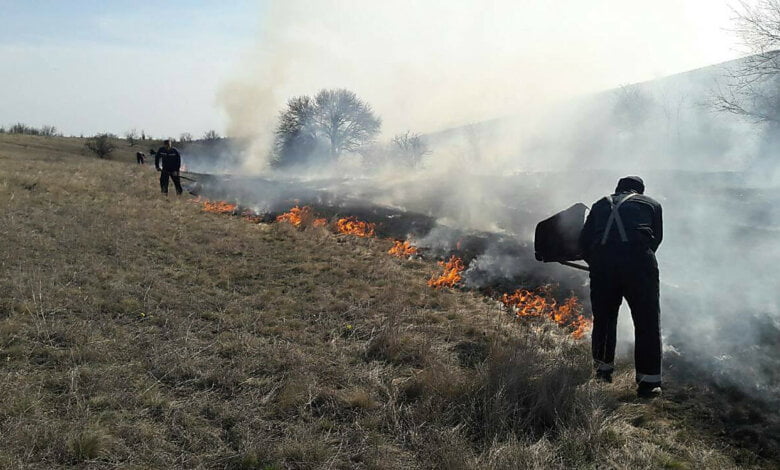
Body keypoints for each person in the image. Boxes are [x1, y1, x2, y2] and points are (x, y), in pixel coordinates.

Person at [579, 176, 663, 398]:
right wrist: (635, 259)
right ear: (640, 191)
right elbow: (656, 240)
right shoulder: (652, 204)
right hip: (640, 269)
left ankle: (602, 372)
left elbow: (584, 242)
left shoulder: (599, 204)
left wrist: (597, 263)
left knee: (604, 319)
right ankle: (649, 383)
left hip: (603, 268)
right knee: (647, 322)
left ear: (617, 189)